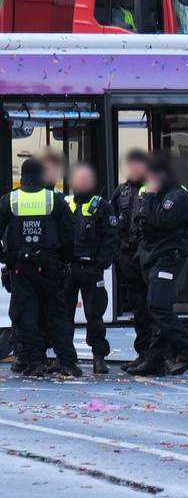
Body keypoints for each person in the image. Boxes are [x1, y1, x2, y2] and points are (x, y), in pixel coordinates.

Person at [0, 157, 79, 377]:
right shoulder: (54, 199)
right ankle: (67, 361)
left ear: (22, 176)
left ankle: (34, 362)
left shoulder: (10, 200)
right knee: (57, 314)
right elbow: (69, 234)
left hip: (21, 267)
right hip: (50, 264)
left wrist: (7, 258)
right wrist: (65, 260)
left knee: (26, 315)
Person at [127, 153, 188, 377]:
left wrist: (151, 197)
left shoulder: (177, 196)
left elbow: (162, 219)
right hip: (151, 257)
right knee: (154, 308)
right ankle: (156, 359)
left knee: (159, 306)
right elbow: (141, 220)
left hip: (168, 258)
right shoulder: (154, 195)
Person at [64, 163, 118, 375]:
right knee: (64, 315)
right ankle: (65, 358)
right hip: (68, 269)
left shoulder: (102, 206)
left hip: (91, 269)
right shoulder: (66, 203)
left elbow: (111, 238)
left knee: (94, 315)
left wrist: (100, 263)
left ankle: (98, 357)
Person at [111, 150, 155, 373]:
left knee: (154, 309)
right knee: (139, 311)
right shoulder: (121, 191)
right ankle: (144, 354)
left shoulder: (154, 189)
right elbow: (111, 222)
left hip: (148, 256)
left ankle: (158, 356)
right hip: (128, 258)